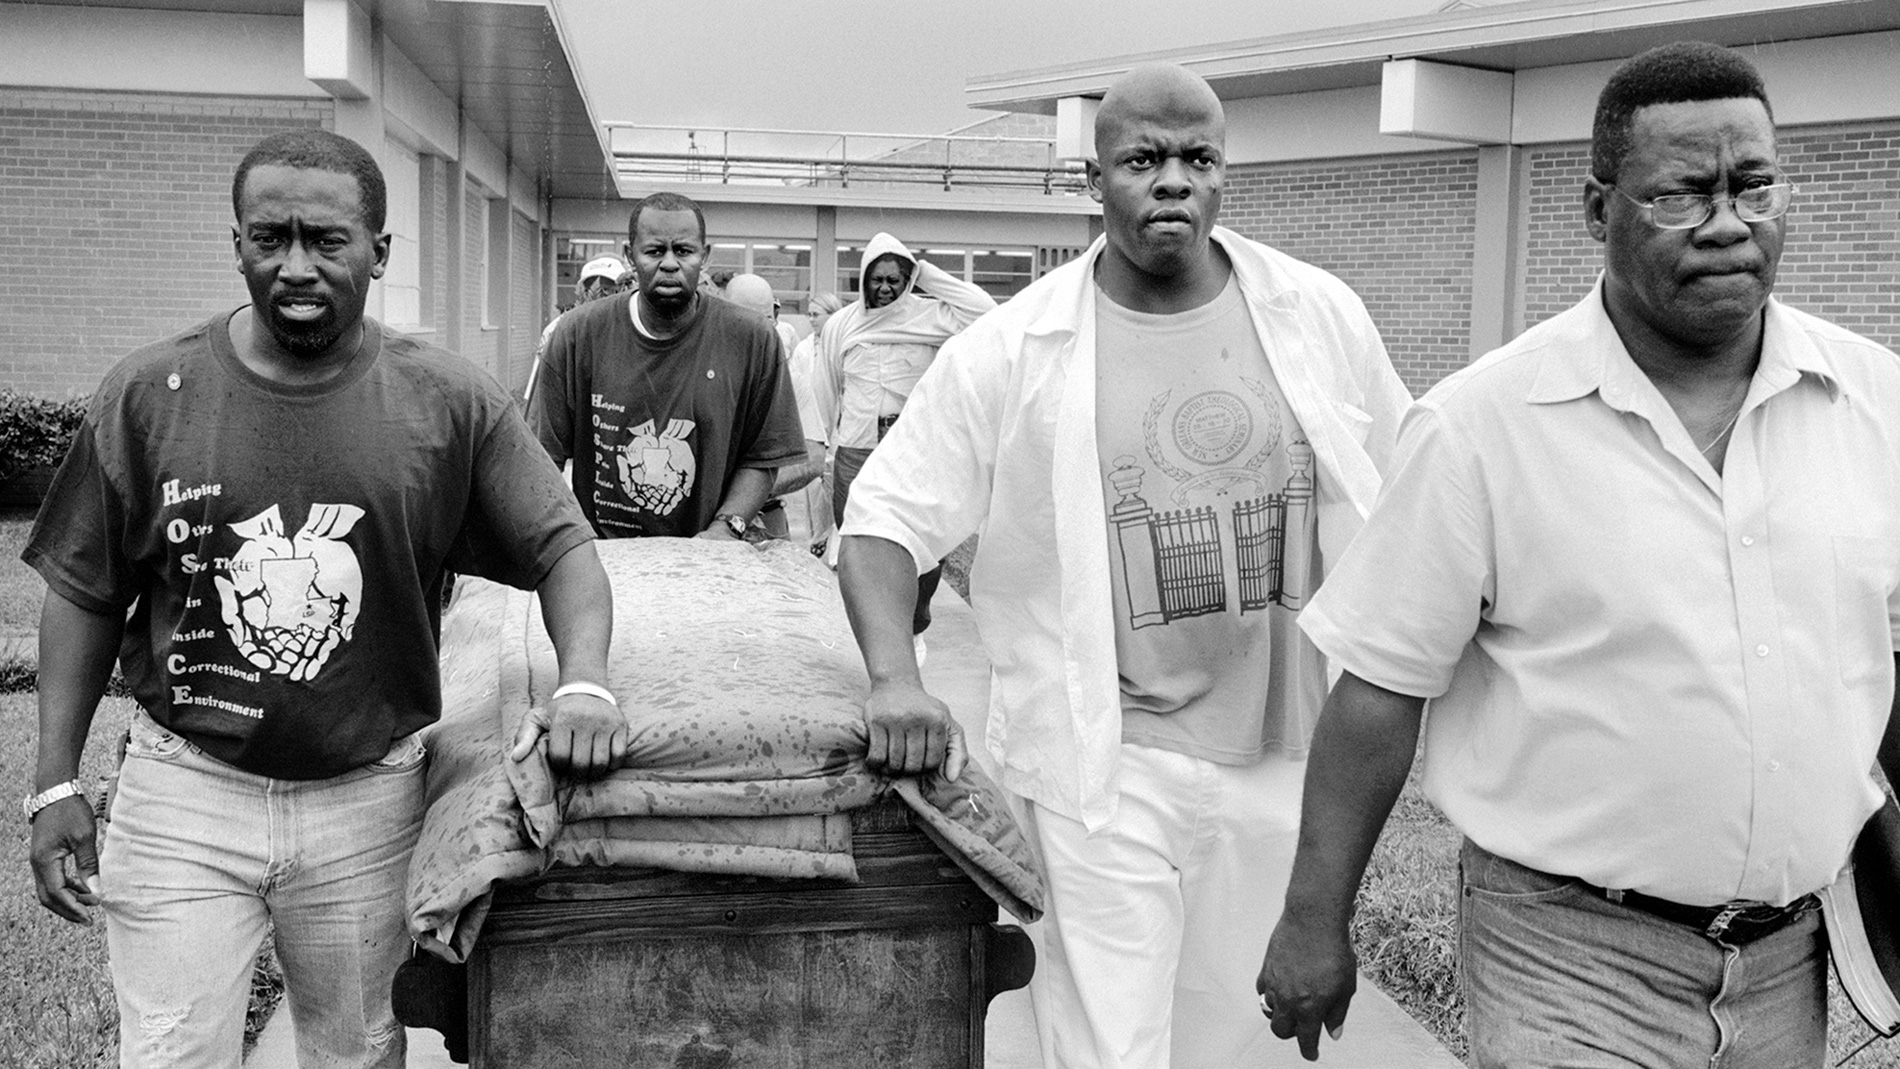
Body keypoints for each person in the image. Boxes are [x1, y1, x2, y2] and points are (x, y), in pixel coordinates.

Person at [1257, 41, 1900, 1068]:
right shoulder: (1481, 426)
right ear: (1597, 208)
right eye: (1681, 193)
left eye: (1754, 186)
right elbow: (1377, 690)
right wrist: (1311, 920)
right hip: (1565, 951)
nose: (1729, 222)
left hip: (1788, 957)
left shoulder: (1875, 403)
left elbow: (1872, 659)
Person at [836, 63, 1409, 1069]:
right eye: (1144, 159)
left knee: (1254, 1038)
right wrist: (894, 677)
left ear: (1224, 172)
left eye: (1198, 159)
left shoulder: (1316, 315)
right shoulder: (1013, 349)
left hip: (1286, 754)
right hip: (1101, 763)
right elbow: (885, 517)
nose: (1174, 182)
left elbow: (1406, 492)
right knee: (1107, 1049)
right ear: (1094, 180)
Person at [21, 128, 623, 1069]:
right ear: (237, 243)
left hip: (367, 797)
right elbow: (86, 592)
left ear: (379, 253)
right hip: (185, 789)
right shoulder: (149, 396)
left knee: (355, 1051)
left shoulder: (447, 402)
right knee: (170, 1053)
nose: (296, 265)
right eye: (271, 238)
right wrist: (55, 779)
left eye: (326, 241)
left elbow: (565, 551)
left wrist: (585, 682)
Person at [528, 193, 805, 540]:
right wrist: (570, 537)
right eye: (655, 251)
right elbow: (541, 460)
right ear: (630, 256)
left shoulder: (753, 339)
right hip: (606, 557)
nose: (670, 264)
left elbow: (763, 457)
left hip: (712, 557)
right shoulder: (577, 335)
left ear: (705, 256)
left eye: (684, 251)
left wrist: (726, 528)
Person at [816, 232, 995, 635]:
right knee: (858, 541)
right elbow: (825, 385)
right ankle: (868, 624)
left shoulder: (929, 316)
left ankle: (913, 619)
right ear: (862, 279)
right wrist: (829, 444)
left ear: (908, 279)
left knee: (922, 538)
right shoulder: (843, 324)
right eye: (876, 279)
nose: (884, 288)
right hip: (856, 451)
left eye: (895, 279)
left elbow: (984, 311)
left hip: (914, 450)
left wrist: (926, 271)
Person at [524, 253, 628, 402]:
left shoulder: (634, 329)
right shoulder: (558, 330)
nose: (601, 296)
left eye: (609, 289)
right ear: (581, 291)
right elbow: (538, 397)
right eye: (592, 288)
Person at [788, 292, 845, 556]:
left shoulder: (843, 344)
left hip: (839, 427)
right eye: (809, 314)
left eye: (816, 314)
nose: (811, 319)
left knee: (838, 490)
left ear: (832, 315)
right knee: (812, 487)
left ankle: (835, 544)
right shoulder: (803, 348)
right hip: (811, 427)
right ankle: (817, 540)